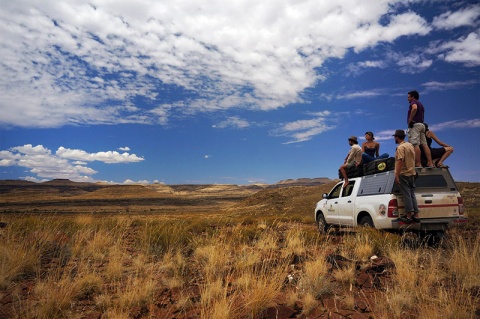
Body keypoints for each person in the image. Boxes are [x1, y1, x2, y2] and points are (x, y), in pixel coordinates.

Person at [393, 129, 420, 223]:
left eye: (395, 137)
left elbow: (399, 162)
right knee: (412, 194)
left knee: (407, 195)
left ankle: (408, 216)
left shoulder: (400, 148)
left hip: (404, 173)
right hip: (412, 173)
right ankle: (416, 215)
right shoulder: (410, 145)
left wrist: (397, 175)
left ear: (397, 137)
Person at [406, 90, 434, 168]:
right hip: (422, 125)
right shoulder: (421, 104)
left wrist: (410, 120)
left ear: (413, 97)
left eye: (408, 97)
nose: (407, 99)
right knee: (424, 144)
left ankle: (418, 163)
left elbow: (414, 108)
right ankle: (430, 163)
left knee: (415, 144)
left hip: (415, 125)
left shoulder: (413, 102)